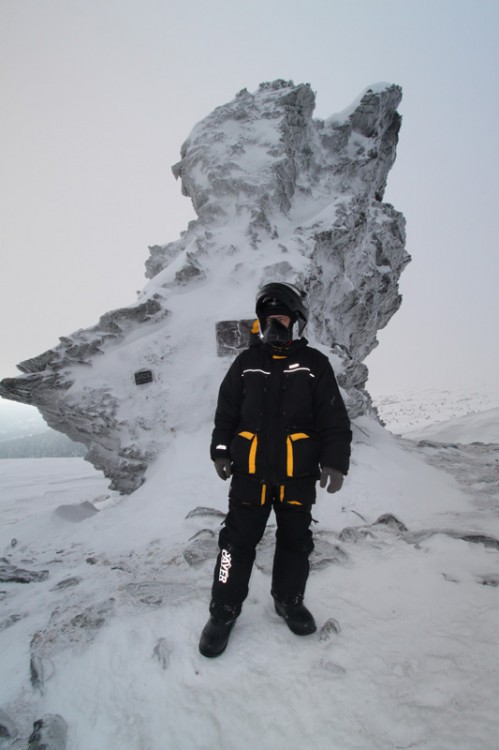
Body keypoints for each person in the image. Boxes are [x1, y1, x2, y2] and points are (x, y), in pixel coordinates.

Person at [199, 282, 352, 657]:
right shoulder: (245, 363)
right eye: (268, 319)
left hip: (297, 476)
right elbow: (226, 412)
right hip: (250, 475)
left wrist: (334, 462)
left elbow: (333, 419)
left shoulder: (315, 365)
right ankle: (222, 611)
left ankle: (288, 600)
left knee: (296, 543)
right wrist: (220, 451)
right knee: (234, 546)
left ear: (296, 322)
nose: (274, 325)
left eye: (281, 318)